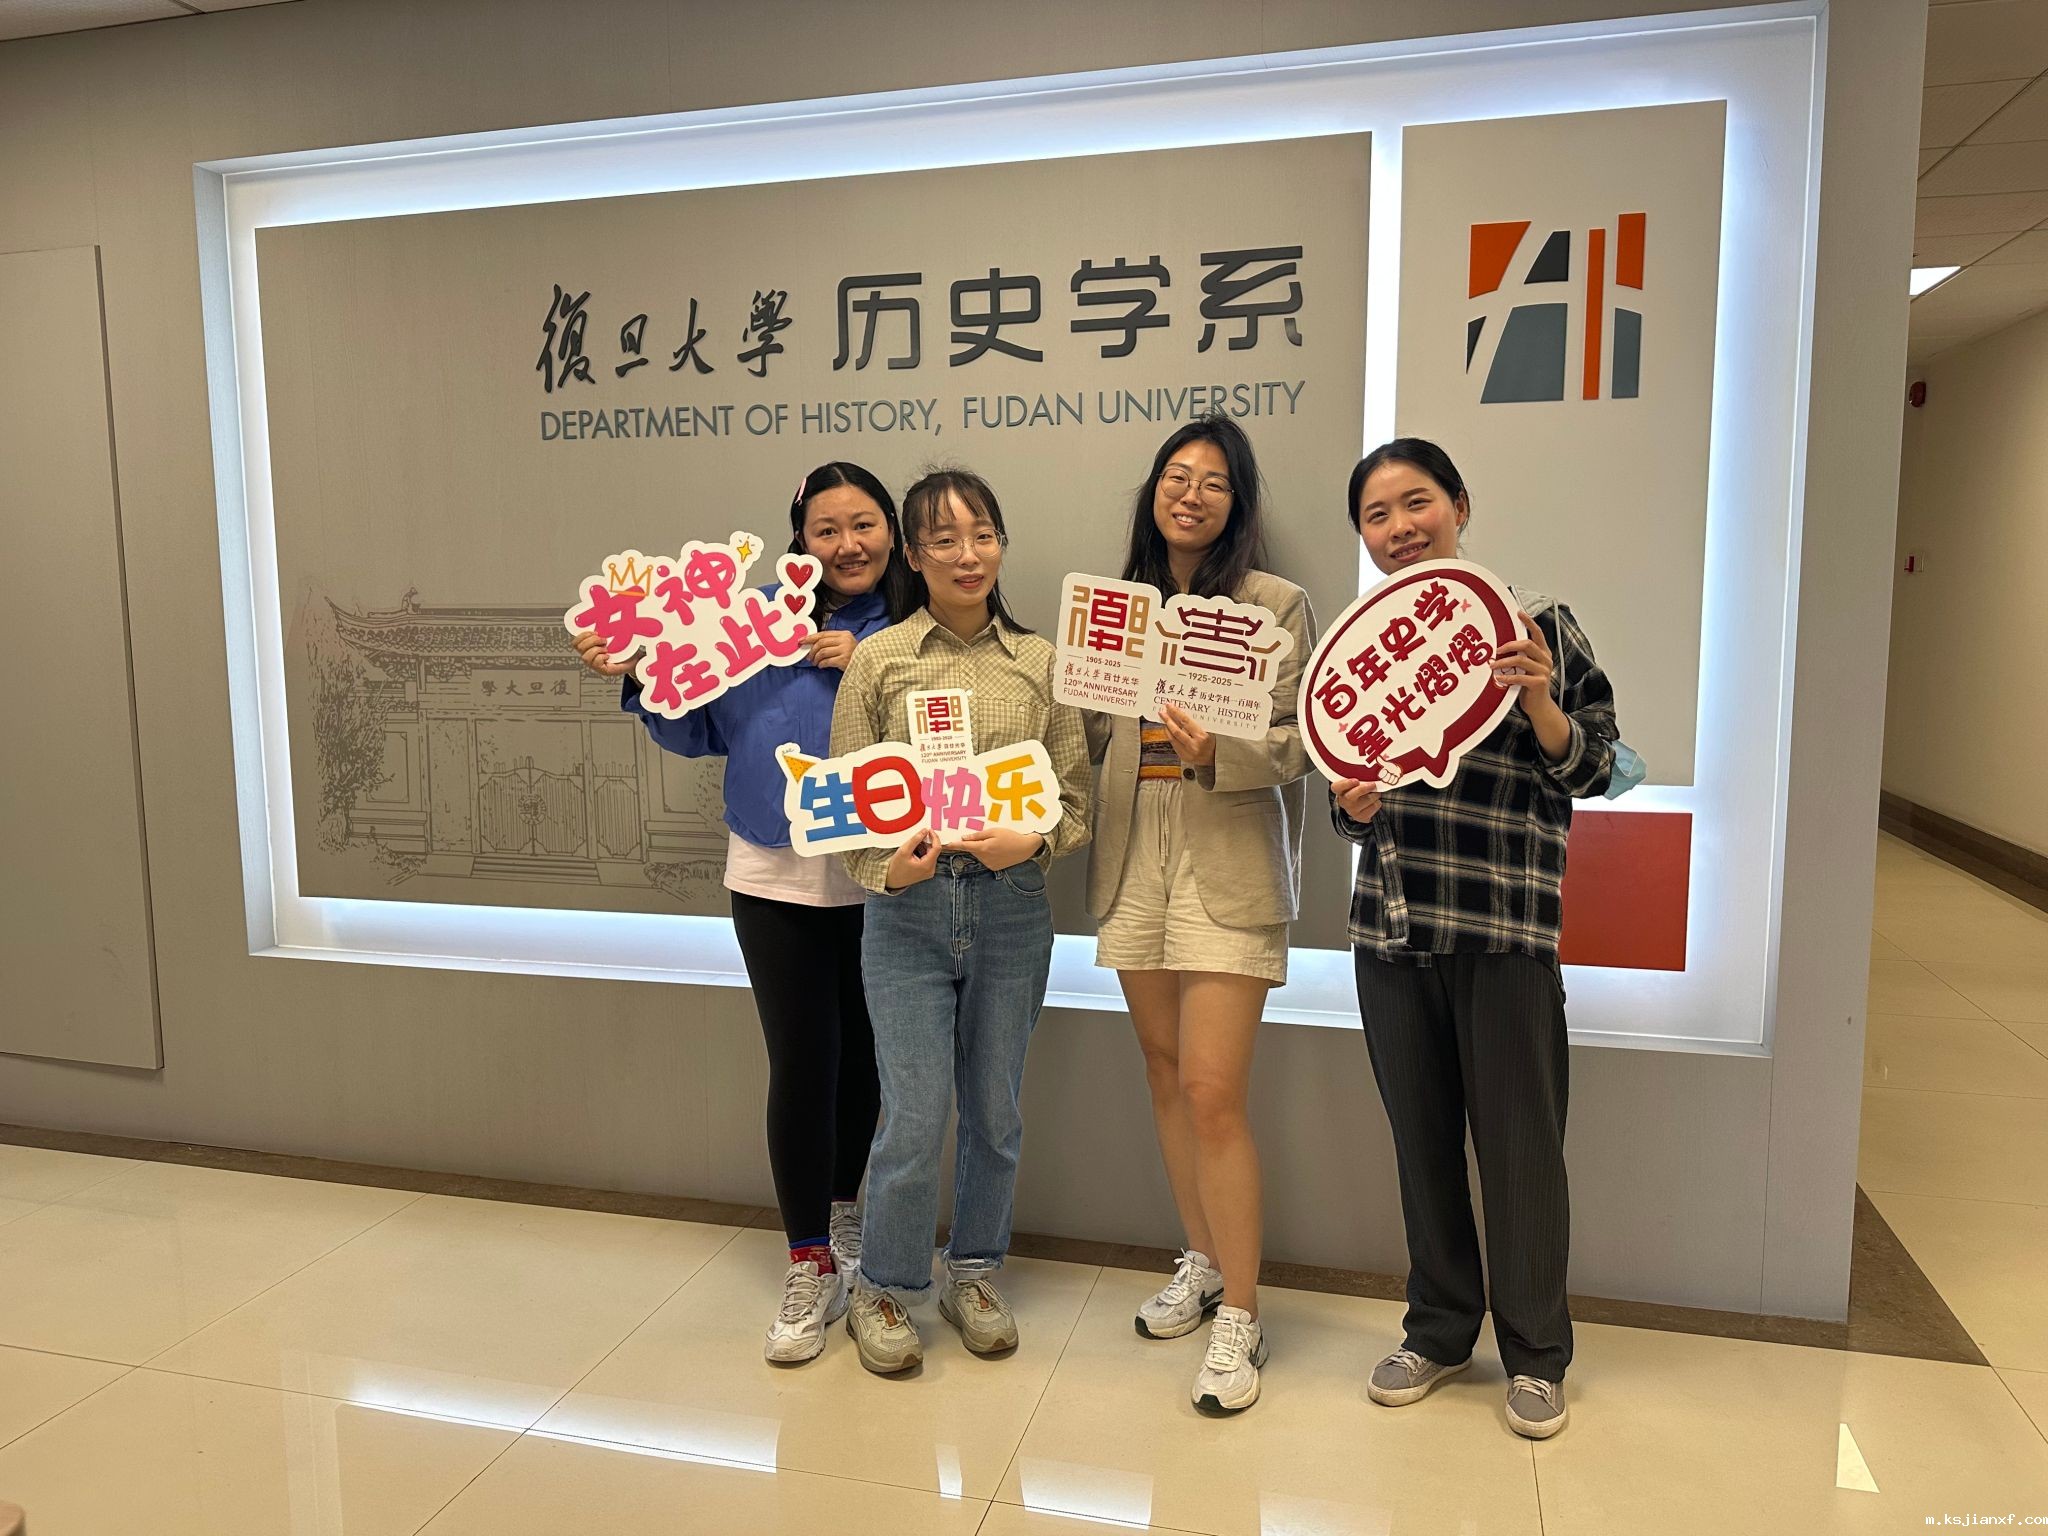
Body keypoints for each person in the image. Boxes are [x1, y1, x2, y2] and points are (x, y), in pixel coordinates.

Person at [572, 462, 915, 1366]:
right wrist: (641, 668)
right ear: (801, 538)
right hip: (771, 870)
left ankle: (847, 1221)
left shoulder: (918, 627)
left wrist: (876, 662)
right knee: (803, 1062)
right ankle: (807, 1260)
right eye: (827, 529)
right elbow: (696, 727)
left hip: (887, 874)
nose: (848, 545)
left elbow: (956, 735)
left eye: (865, 524)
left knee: (867, 1062)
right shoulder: (749, 619)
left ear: (892, 529)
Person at [1329, 438, 1618, 1440]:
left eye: (1416, 503)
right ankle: (1440, 1331)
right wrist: (1350, 808)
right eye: (1376, 515)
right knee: (1422, 1150)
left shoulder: (1536, 625)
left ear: (1459, 505)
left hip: (1502, 929)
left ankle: (1536, 1354)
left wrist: (1538, 701)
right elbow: (1348, 806)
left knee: (1521, 1153)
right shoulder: (1362, 651)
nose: (1399, 528)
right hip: (1391, 931)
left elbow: (1599, 767)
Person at [828, 467, 1092, 1375]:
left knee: (994, 1109)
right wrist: (885, 870)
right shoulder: (879, 660)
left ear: (1002, 544)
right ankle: (886, 1287)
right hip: (907, 911)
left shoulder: (1042, 662)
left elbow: (1075, 798)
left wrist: (1036, 842)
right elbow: (845, 810)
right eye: (943, 540)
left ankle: (973, 1272)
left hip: (1012, 908)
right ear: (914, 555)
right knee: (912, 1112)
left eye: (982, 535)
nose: (966, 555)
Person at [1085, 415, 1315, 1415]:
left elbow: (1303, 739)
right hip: (1135, 854)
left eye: (1213, 482)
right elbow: (1089, 727)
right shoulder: (1118, 605)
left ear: (1237, 503)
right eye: (1176, 477)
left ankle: (1242, 1317)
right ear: (1152, 493)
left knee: (1214, 1091)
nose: (1190, 494)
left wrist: (1219, 748)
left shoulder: (1274, 604)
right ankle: (1203, 1262)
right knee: (1163, 1069)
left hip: (1227, 859)